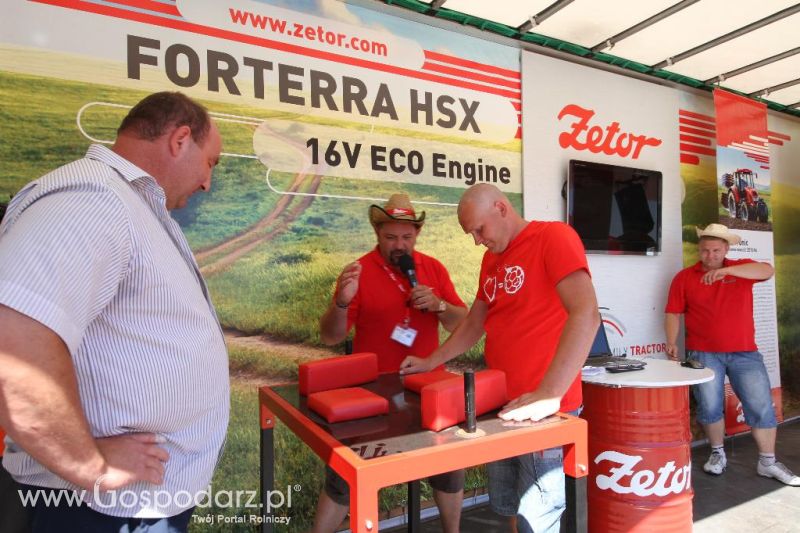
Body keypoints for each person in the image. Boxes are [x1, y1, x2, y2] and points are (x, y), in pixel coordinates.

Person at [0, 91, 230, 531]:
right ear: (180, 140)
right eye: (211, 163)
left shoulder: (129, 204)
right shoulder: (94, 197)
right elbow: (14, 346)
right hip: (94, 510)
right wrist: (90, 465)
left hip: (134, 504)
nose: (206, 182)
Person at [400, 183, 600, 533]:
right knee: (511, 509)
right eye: (471, 234)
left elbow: (586, 313)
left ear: (501, 208)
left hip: (547, 411)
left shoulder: (553, 237)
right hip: (504, 408)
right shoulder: (490, 259)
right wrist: (433, 360)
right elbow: (476, 322)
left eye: (479, 229)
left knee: (538, 519)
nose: (477, 240)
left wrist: (549, 394)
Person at [314, 193, 469, 533]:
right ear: (377, 233)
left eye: (406, 237)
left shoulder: (433, 269)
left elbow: (463, 323)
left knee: (448, 467)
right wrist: (341, 303)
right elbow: (329, 336)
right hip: (371, 393)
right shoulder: (360, 271)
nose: (399, 245)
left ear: (417, 234)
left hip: (429, 388)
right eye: (390, 237)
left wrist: (441, 305)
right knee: (345, 476)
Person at [664, 223, 799, 486]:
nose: (710, 255)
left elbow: (767, 270)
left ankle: (767, 462)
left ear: (726, 249)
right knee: (710, 407)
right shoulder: (684, 277)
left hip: (745, 352)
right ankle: (717, 454)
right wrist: (671, 341)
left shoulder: (742, 268)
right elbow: (672, 312)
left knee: (761, 406)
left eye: (716, 250)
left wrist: (727, 270)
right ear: (698, 250)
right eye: (705, 251)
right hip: (703, 354)